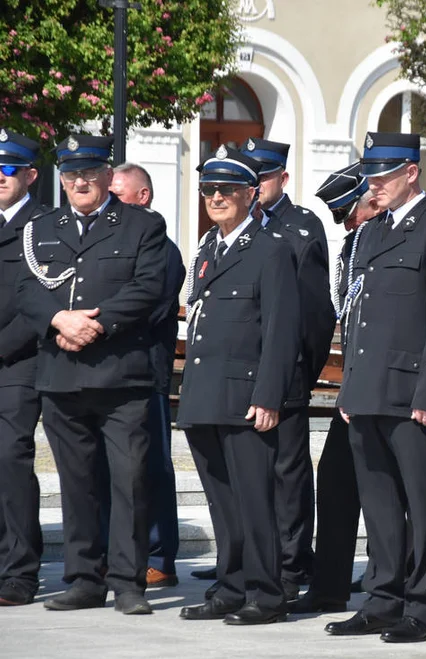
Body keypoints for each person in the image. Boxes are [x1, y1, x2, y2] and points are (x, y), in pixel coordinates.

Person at [18, 134, 168, 615]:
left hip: (120, 375)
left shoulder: (142, 225)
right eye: (70, 173)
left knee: (129, 481)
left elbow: (148, 288)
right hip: (61, 373)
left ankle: (127, 583)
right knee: (77, 482)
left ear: (107, 175)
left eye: (88, 173)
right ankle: (84, 578)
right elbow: (25, 288)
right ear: (61, 177)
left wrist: (96, 323)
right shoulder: (40, 228)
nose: (79, 181)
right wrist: (58, 320)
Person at [323, 132, 426, 643]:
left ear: (411, 173)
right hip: (366, 391)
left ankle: (423, 606)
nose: (373, 187)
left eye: (383, 177)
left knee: (423, 506)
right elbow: (358, 315)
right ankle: (382, 599)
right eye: (370, 177)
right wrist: (349, 388)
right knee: (378, 503)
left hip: (411, 397)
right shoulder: (370, 233)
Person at [175, 145, 301, 625]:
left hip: (245, 396)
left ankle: (267, 594)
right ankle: (230, 587)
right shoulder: (210, 247)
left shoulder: (271, 250)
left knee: (254, 501)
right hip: (206, 393)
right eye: (209, 189)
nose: (217, 197)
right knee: (221, 501)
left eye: (227, 190)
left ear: (252, 194)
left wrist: (269, 395)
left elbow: (281, 329)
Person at [242, 138, 335, 599]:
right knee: (246, 472)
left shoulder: (300, 228)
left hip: (288, 374)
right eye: (250, 176)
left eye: (263, 176)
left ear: (282, 178)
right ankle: (250, 560)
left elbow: (317, 313)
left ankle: (293, 564)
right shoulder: (238, 227)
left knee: (288, 474)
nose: (255, 185)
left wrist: (301, 369)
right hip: (242, 372)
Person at [289, 161, 381, 615]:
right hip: (359, 386)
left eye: (352, 212)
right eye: (342, 217)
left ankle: (395, 582)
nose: (348, 223)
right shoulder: (353, 248)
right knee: (337, 480)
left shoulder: (404, 238)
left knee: (398, 494)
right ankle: (329, 586)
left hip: (402, 390)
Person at [88, 164, 185, 589]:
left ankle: (159, 556)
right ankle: (118, 552)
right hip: (106, 372)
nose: (110, 201)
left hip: (146, 373)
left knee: (152, 467)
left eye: (120, 194)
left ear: (142, 197)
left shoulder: (160, 247)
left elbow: (150, 308)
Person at [0, 129, 47, 607]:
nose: (0, 175)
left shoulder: (42, 226)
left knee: (9, 460)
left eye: (9, 168)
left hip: (17, 362)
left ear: (30, 175)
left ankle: (19, 571)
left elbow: (39, 299)